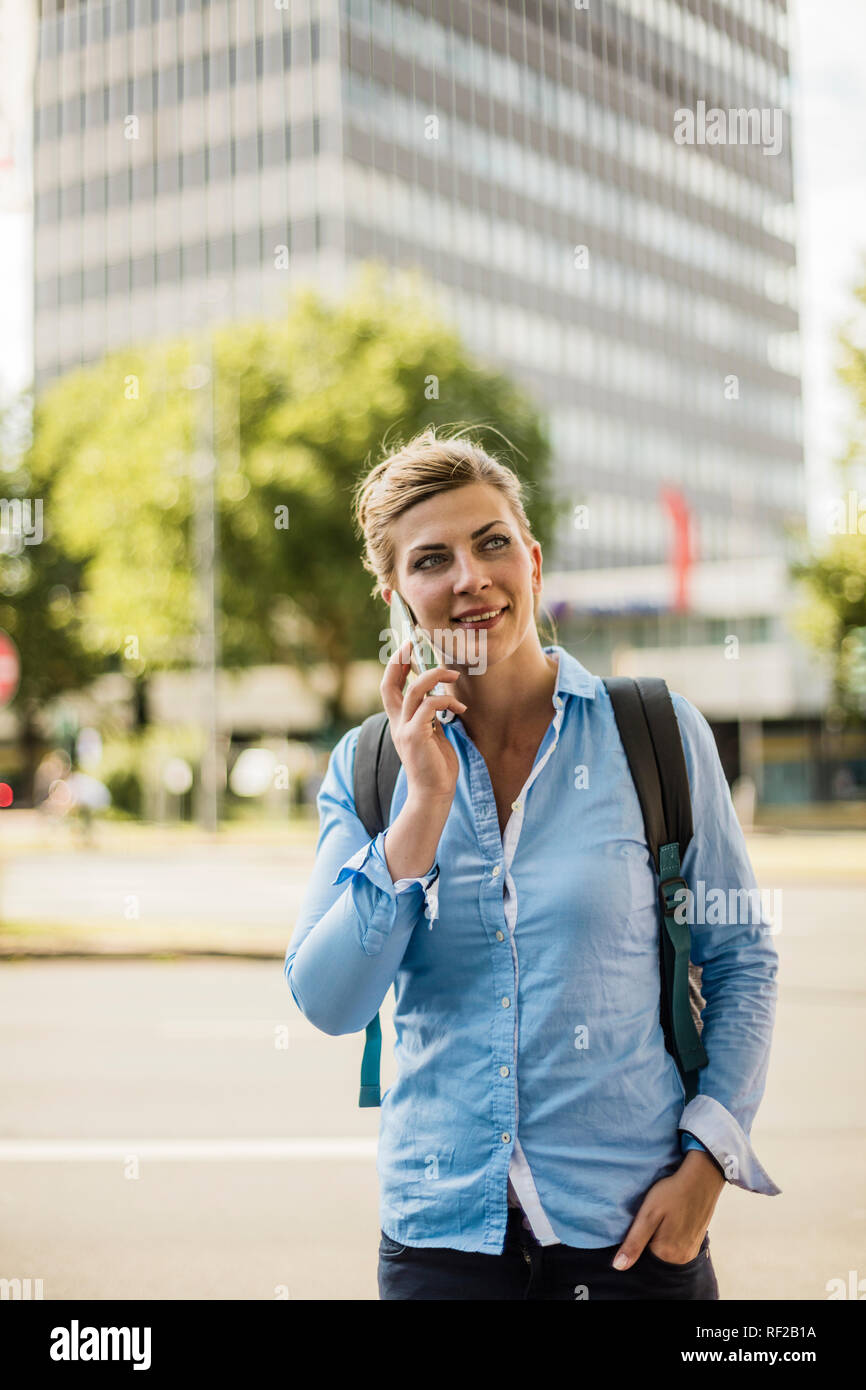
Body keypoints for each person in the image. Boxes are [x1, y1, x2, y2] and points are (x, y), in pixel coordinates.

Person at [283, 426, 780, 1300]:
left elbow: (739, 960)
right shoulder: (371, 767)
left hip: (632, 1237)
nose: (470, 578)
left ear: (534, 562)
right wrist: (426, 807)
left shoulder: (657, 735)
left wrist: (708, 1165)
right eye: (431, 560)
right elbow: (328, 1002)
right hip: (440, 1246)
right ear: (398, 595)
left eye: (491, 543)